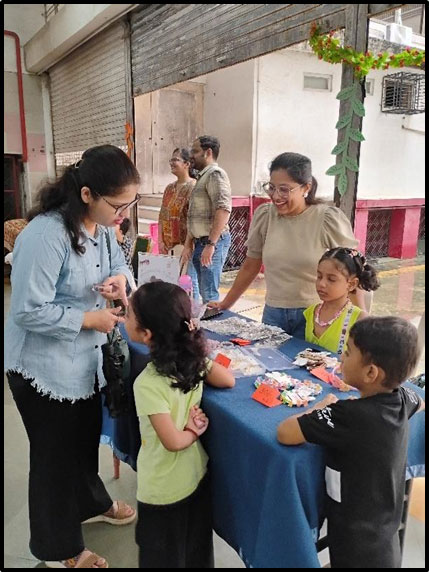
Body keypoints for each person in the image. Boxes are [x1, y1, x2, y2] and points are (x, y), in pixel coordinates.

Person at [4, 144, 142, 569]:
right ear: (86, 194)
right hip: (42, 367)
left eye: (129, 205)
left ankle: (89, 503)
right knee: (54, 458)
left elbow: (121, 265)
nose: (123, 214)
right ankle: (59, 546)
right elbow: (27, 310)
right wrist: (87, 319)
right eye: (117, 205)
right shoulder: (46, 235)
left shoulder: (102, 229)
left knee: (82, 442)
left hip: (84, 362)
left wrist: (120, 281)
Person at [277, 316, 425, 568]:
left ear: (371, 372)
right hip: (382, 535)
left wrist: (321, 407)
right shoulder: (402, 398)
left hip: (353, 539)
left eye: (347, 352)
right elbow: (419, 402)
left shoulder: (347, 416)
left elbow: (285, 433)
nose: (341, 357)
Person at [124, 281, 235, 568]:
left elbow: (172, 441)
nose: (124, 318)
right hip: (195, 478)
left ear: (146, 334)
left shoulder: (147, 384)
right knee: (196, 552)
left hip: (162, 490)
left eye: (128, 315)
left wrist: (191, 432)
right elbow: (228, 379)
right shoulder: (194, 362)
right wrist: (201, 355)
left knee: (162, 558)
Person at [210, 152, 361, 338]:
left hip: (315, 315)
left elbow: (353, 269)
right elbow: (251, 265)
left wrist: (362, 321)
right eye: (272, 188)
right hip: (273, 313)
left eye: (284, 189)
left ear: (306, 187)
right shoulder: (266, 216)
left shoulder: (326, 219)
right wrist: (226, 304)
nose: (276, 196)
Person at [181, 135, 232, 303]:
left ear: (208, 152)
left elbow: (223, 209)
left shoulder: (215, 175)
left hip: (211, 243)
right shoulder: (202, 177)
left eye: (195, 151)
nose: (191, 156)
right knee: (204, 291)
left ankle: (213, 320)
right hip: (200, 242)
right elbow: (195, 215)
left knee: (209, 295)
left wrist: (211, 244)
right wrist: (188, 243)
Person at [304, 247, 380, 354]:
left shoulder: (359, 319)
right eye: (319, 276)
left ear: (351, 284)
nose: (321, 284)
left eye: (331, 279)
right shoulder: (311, 312)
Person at [158, 147, 199, 299]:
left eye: (175, 159)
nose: (172, 163)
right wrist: (160, 240)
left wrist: (188, 246)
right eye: (171, 160)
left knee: (188, 283)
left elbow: (192, 220)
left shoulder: (194, 187)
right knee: (171, 284)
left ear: (187, 164)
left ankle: (191, 311)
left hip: (185, 246)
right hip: (168, 246)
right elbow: (162, 215)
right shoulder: (169, 188)